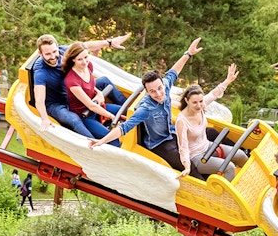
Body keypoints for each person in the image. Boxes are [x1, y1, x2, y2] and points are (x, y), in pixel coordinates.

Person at [89, 38, 205, 179]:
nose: (158, 94)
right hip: (159, 143)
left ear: (163, 84)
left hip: (171, 132)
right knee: (185, 162)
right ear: (147, 92)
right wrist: (101, 141)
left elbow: (174, 72)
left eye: (159, 88)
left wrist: (188, 53)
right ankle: (205, 186)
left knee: (199, 141)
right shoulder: (146, 108)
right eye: (152, 91)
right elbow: (124, 127)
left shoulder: (166, 86)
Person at [33, 33, 131, 134]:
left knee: (104, 81)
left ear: (57, 47)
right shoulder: (41, 73)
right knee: (74, 119)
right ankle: (92, 143)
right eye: (48, 54)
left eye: (54, 51)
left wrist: (109, 43)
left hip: (73, 90)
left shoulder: (63, 51)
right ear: (40, 53)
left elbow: (84, 47)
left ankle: (130, 108)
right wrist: (44, 119)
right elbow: (39, 100)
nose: (53, 56)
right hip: (58, 103)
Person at [175, 63, 248, 181]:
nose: (199, 105)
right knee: (229, 167)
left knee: (240, 155)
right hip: (197, 157)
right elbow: (182, 146)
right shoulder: (182, 121)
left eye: (200, 101)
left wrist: (228, 80)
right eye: (195, 102)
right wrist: (187, 167)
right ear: (186, 101)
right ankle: (227, 197)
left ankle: (249, 181)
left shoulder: (201, 106)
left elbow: (214, 93)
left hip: (208, 146)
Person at [62, 42, 124, 146]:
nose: (84, 62)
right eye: (80, 59)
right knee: (112, 138)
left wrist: (98, 92)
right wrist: (111, 116)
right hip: (86, 115)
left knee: (125, 111)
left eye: (86, 57)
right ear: (73, 59)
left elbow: (89, 84)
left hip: (97, 107)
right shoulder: (71, 80)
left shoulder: (88, 66)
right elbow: (90, 105)